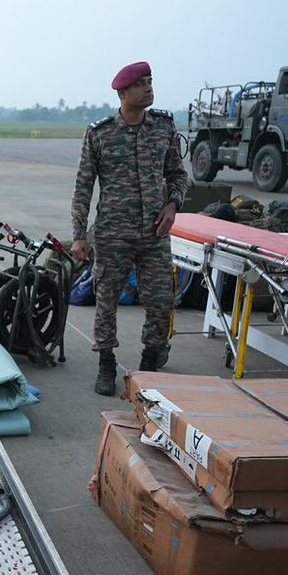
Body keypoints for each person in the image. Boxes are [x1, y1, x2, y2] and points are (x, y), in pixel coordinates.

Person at [70, 61, 190, 396]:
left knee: (161, 301)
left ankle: (149, 363)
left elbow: (178, 175)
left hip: (154, 234)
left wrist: (172, 205)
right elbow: (83, 186)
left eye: (150, 81)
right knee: (106, 302)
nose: (149, 88)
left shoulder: (163, 128)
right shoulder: (100, 133)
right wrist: (79, 235)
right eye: (141, 84)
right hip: (112, 233)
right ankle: (106, 363)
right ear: (123, 93)